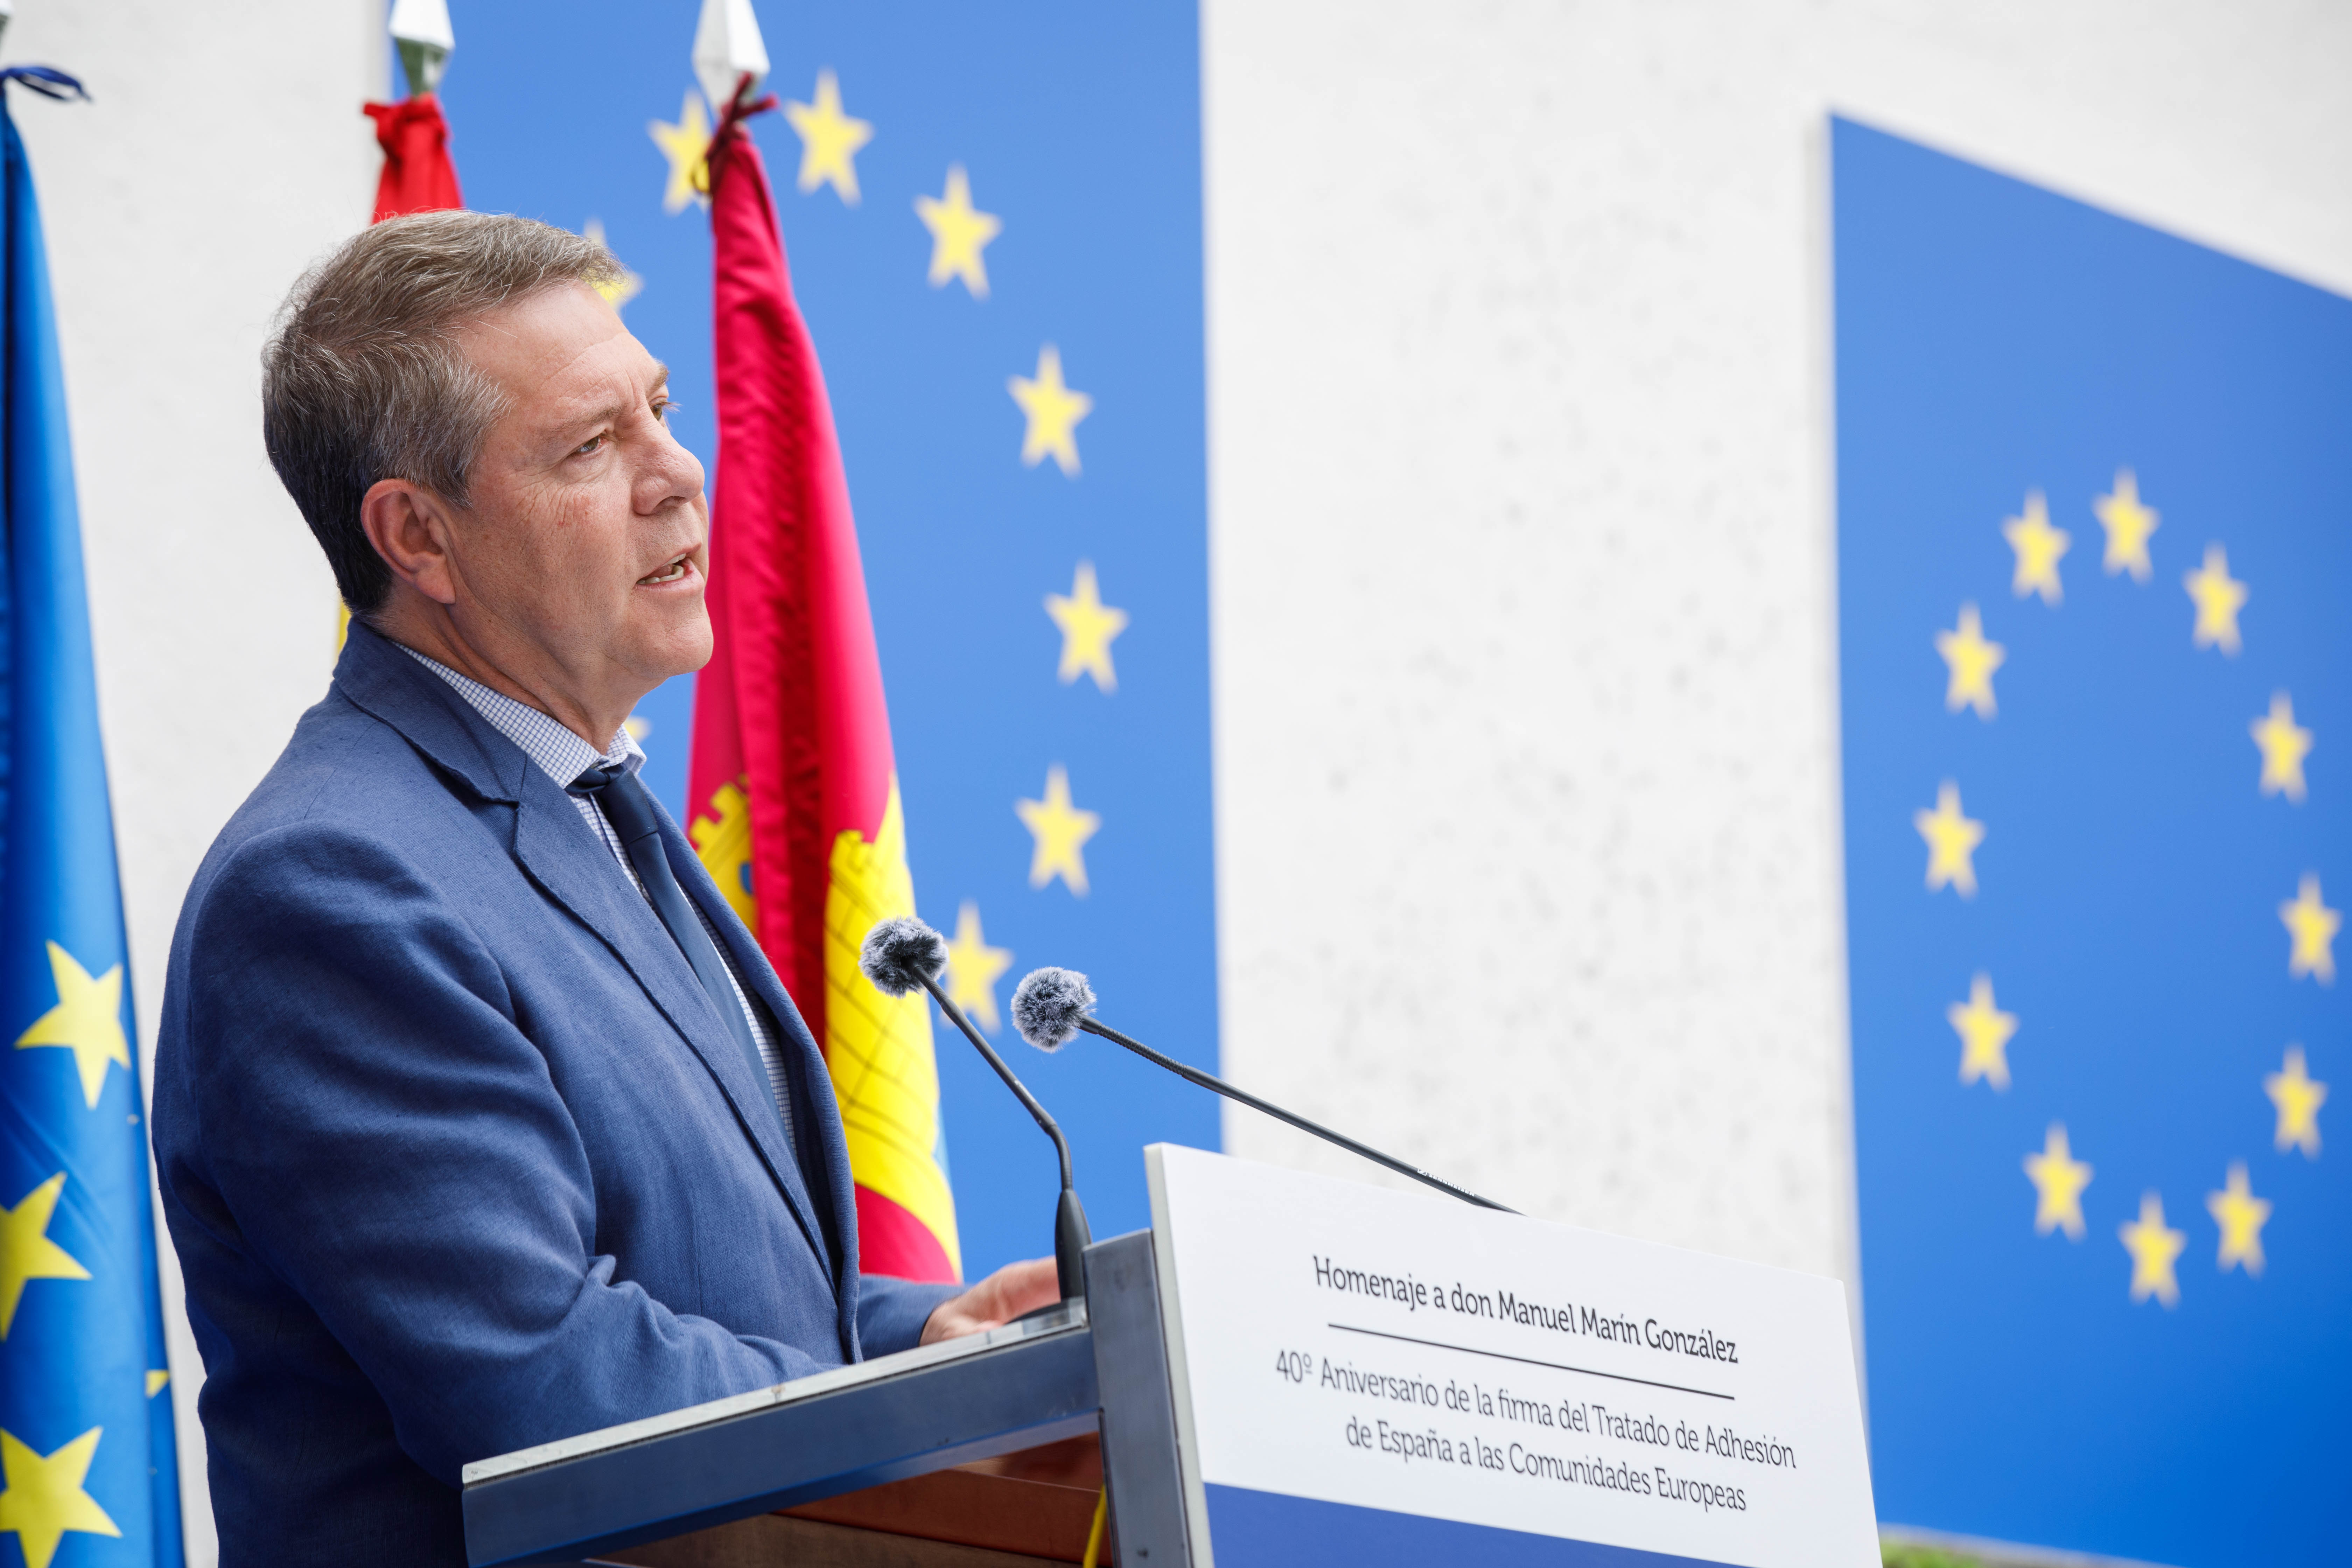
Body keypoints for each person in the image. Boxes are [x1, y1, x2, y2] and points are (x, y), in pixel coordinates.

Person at [150, 211, 1057, 1565]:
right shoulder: (330, 889)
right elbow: (548, 1385)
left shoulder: (581, 801)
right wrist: (943, 1424)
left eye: (661, 412)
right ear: (419, 536)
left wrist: (915, 1338)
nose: (678, 474)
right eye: (590, 446)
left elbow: (700, 1275)